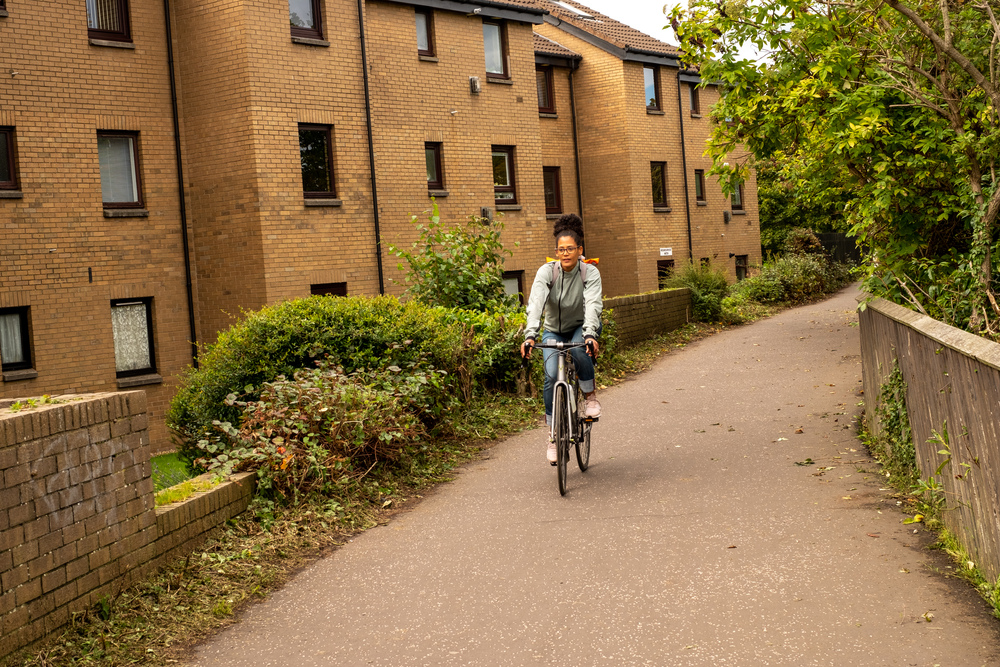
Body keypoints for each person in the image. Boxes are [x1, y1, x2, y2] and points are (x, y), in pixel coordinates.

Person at [520, 214, 603, 465]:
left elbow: (593, 304)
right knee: (550, 375)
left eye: (570, 249)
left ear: (580, 250)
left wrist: (590, 334)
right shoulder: (547, 272)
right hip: (553, 330)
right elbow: (535, 304)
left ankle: (589, 396)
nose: (565, 253)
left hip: (580, 326)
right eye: (560, 249)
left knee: (580, 351)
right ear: (556, 251)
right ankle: (554, 435)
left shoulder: (590, 272)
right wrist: (530, 335)